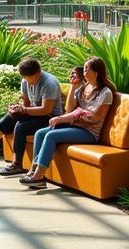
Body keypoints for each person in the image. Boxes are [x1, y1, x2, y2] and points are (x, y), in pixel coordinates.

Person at [19, 57, 115, 190]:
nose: (84, 72)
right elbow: (69, 109)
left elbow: (96, 119)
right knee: (40, 133)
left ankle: (39, 177)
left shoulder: (106, 93)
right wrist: (73, 86)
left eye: (87, 69)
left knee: (51, 136)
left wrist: (73, 116)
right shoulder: (84, 88)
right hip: (75, 126)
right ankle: (33, 170)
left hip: (89, 132)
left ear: (96, 72)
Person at [0, 57, 63, 176]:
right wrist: (18, 109)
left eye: (27, 77)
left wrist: (24, 110)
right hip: (36, 114)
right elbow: (26, 104)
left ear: (37, 73)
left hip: (50, 118)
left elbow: (45, 110)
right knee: (12, 116)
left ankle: (17, 164)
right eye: (24, 77)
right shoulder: (25, 81)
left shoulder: (49, 83)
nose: (25, 80)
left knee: (21, 126)